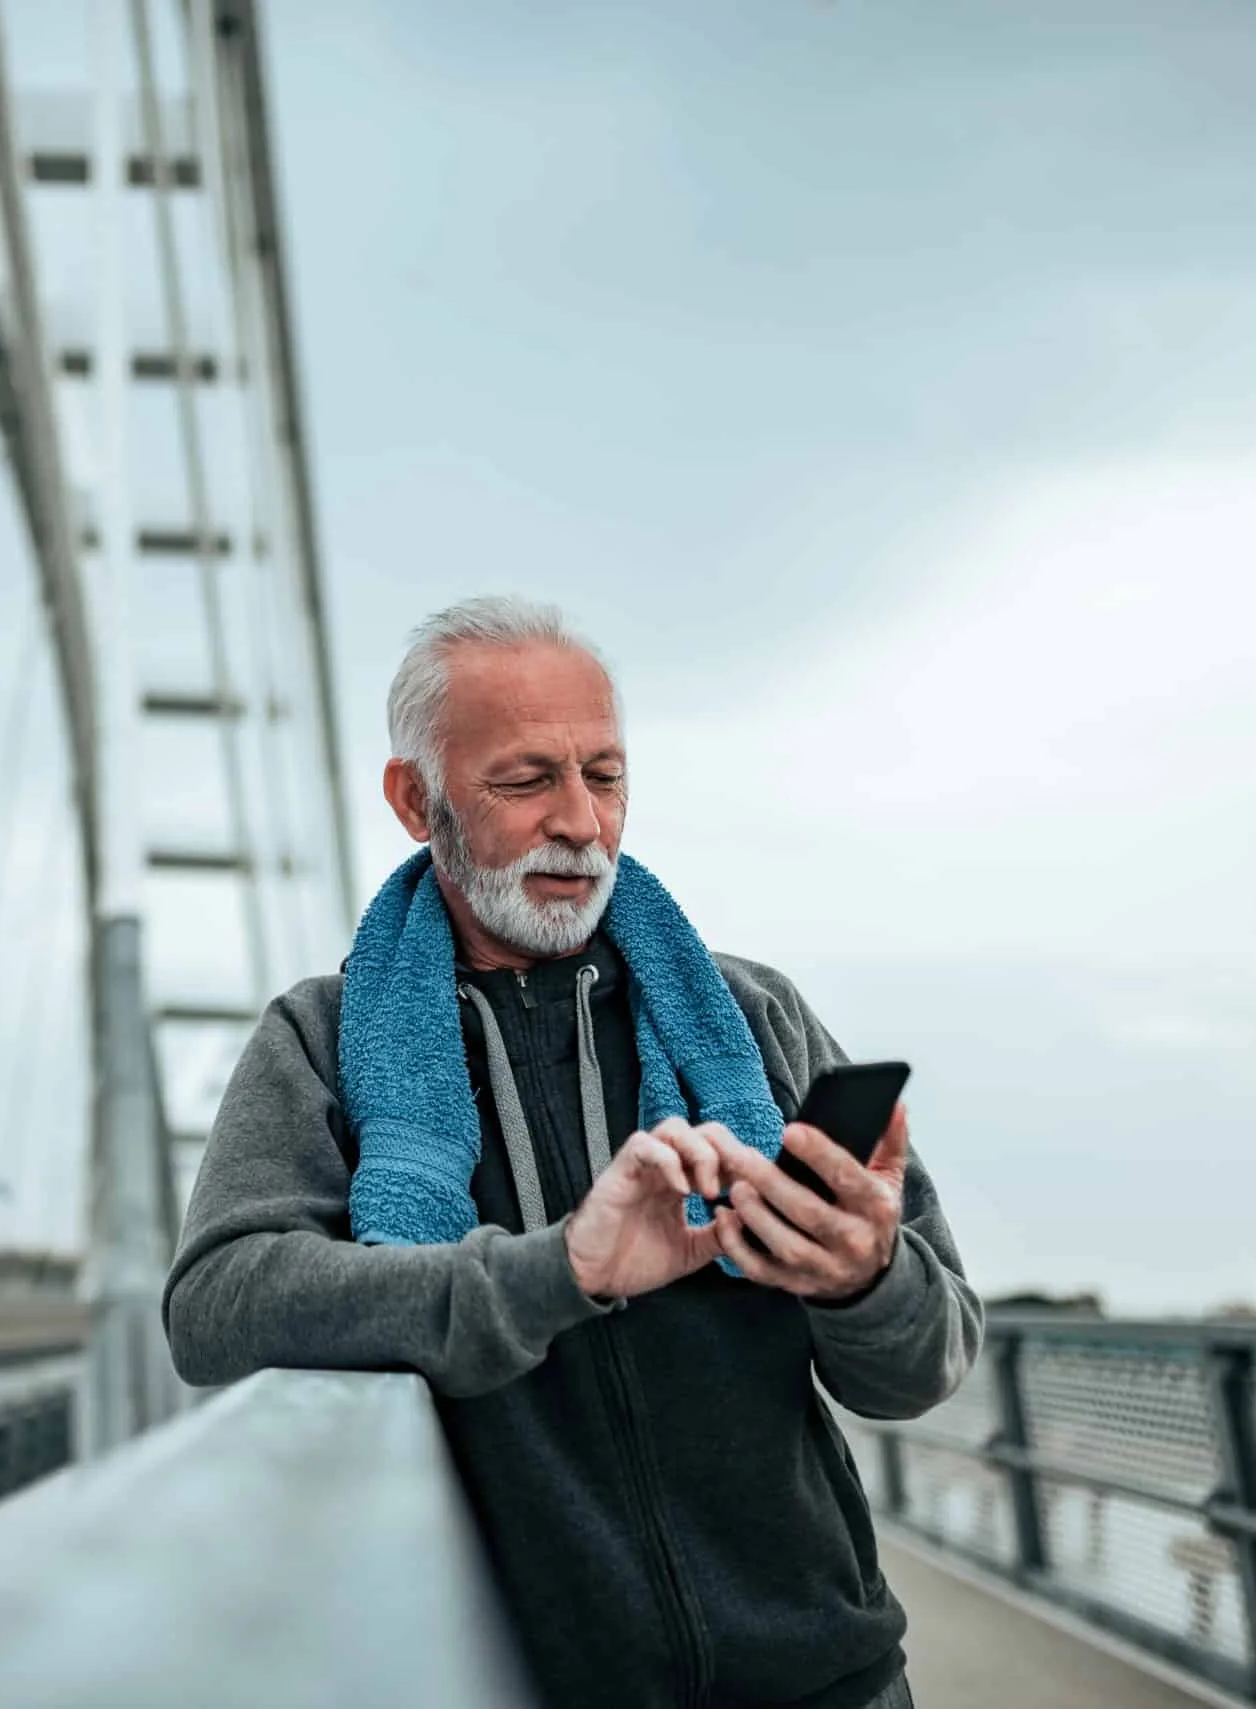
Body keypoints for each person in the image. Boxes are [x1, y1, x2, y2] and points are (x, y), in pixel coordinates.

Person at [163, 596, 982, 1709]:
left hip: (830, 1680)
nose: (582, 822)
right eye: (526, 780)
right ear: (416, 800)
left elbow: (923, 1368)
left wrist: (865, 1278)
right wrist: (561, 1269)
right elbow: (214, 1307)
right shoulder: (320, 1038)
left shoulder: (757, 1016)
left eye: (605, 775)